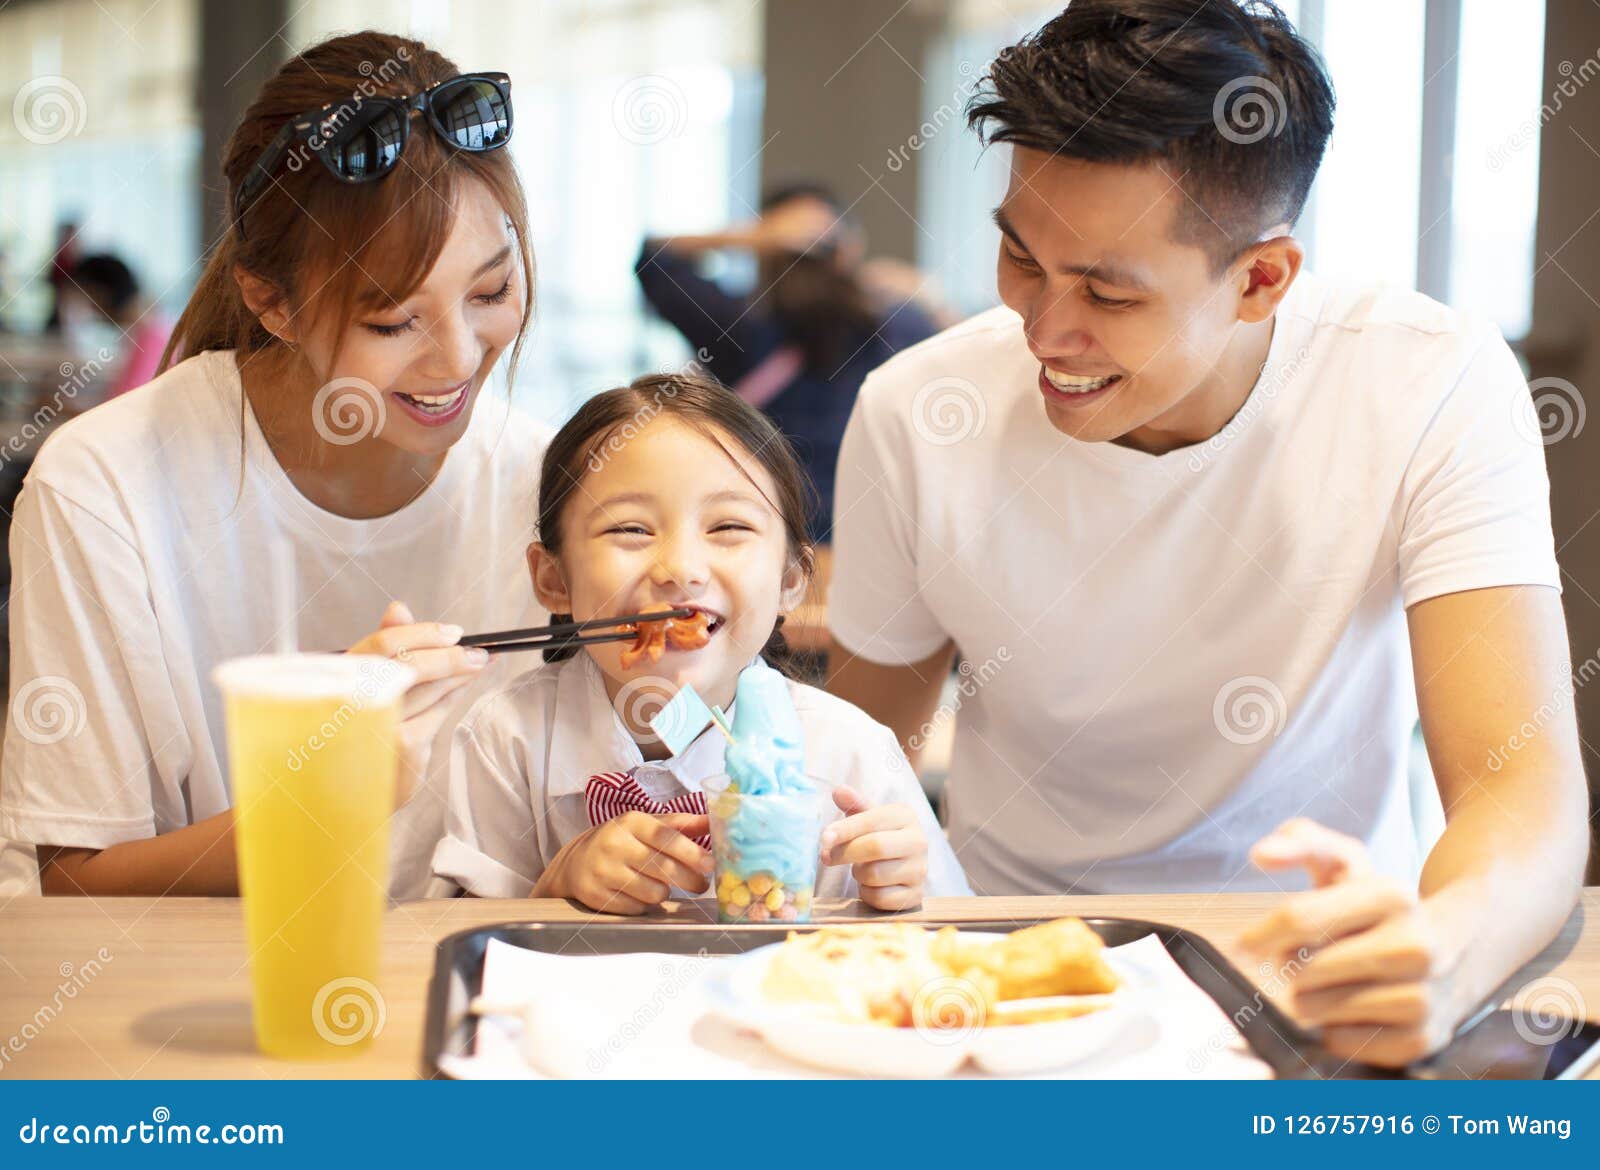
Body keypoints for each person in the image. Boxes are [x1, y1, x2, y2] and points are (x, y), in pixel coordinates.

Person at [825, 0, 1588, 1066]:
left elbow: (1524, 788)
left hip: (1314, 971)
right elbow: (854, 758)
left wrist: (1445, 950)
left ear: (1262, 277)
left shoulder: (1427, 381)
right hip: (1000, 972)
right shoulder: (917, 410)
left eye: (1105, 291)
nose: (1044, 331)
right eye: (1020, 260)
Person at [0, 32, 547, 900]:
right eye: (393, 320)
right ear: (270, 300)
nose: (455, 360)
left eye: (490, 292)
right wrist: (321, 795)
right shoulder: (105, 488)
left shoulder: (547, 486)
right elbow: (72, 884)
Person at [433, 373, 967, 911]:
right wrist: (556, 884)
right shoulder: (507, 740)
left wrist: (900, 891)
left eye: (728, 526)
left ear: (790, 581)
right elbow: (461, 946)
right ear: (553, 580)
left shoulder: (853, 752)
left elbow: (957, 938)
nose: (680, 570)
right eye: (631, 530)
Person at [634, 185, 941, 540]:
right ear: (850, 247)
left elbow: (655, 259)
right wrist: (932, 299)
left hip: (766, 528)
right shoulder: (901, 320)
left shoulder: (736, 326)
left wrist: (751, 237)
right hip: (880, 525)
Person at [62, 253, 174, 399]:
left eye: (87, 300)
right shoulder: (148, 330)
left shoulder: (151, 338)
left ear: (101, 294)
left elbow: (127, 409)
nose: (89, 312)